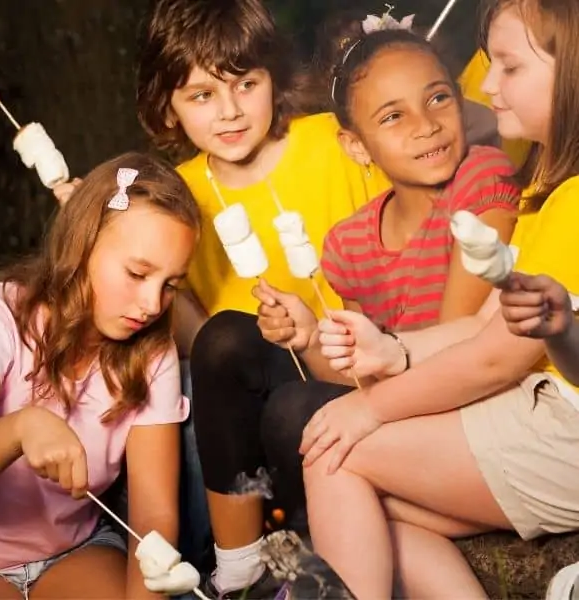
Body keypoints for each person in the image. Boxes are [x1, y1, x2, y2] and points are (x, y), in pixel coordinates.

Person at [195, 17, 524, 596]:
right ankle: (247, 559)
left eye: (439, 98)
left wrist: (364, 374)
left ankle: (311, 544)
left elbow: (458, 340)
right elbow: (348, 372)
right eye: (393, 117)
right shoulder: (347, 244)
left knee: (297, 413)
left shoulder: (482, 178)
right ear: (355, 145)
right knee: (241, 349)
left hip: (456, 406)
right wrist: (308, 335)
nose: (426, 127)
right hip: (390, 405)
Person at [298, 1, 579, 596]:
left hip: (567, 428)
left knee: (334, 454)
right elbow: (484, 324)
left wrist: (372, 407)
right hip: (553, 412)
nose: (489, 88)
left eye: (508, 68)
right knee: (377, 502)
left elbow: (495, 357)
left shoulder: (572, 200)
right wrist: (395, 350)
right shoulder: (549, 193)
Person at [0, 152, 199, 599]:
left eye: (171, 285)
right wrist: (22, 426)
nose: (151, 303)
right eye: (137, 273)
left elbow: (152, 515)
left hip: (74, 551)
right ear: (83, 243)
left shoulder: (153, 355)